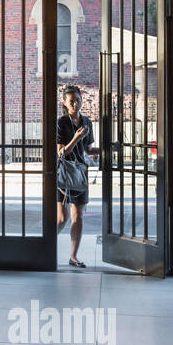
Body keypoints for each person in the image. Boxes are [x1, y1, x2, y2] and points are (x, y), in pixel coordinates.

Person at [56, 85, 94, 268]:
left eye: (77, 100)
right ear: (64, 102)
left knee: (78, 216)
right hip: (64, 173)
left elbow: (87, 150)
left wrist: (109, 149)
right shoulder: (61, 123)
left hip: (80, 173)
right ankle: (43, 248)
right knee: (62, 219)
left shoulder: (87, 122)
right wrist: (76, 138)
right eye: (71, 101)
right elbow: (61, 152)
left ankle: (73, 257)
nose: (75, 104)